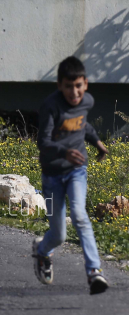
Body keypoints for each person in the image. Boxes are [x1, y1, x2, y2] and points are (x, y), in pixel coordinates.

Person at [32, 56, 109, 295]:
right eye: (68, 86)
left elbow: (83, 125)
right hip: (52, 176)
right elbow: (42, 141)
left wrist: (96, 141)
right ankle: (42, 252)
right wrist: (65, 152)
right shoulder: (51, 106)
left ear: (85, 83)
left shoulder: (87, 101)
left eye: (78, 86)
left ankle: (94, 271)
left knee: (79, 214)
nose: (74, 92)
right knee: (58, 235)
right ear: (59, 85)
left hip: (77, 171)